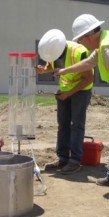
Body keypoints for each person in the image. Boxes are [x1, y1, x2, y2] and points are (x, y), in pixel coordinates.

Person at [53, 14, 109, 200]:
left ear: (90, 34)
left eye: (81, 39)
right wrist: (63, 71)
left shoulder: (108, 47)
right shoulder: (103, 45)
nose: (81, 44)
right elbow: (87, 63)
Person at [38, 29, 93, 175]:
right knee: (63, 124)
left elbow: (88, 78)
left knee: (76, 124)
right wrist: (44, 70)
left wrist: (68, 94)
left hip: (81, 90)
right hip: (64, 89)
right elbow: (53, 65)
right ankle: (62, 158)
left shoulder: (79, 52)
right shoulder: (53, 50)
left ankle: (75, 161)